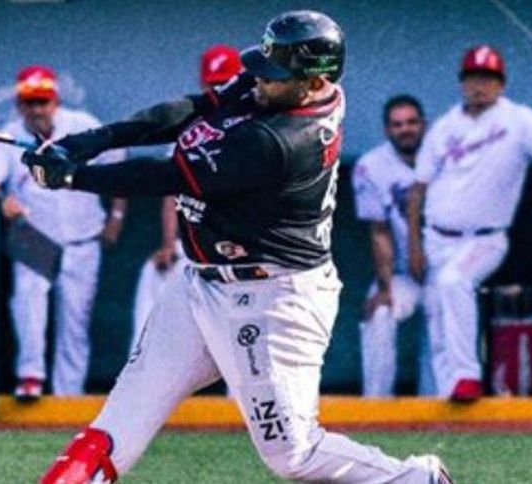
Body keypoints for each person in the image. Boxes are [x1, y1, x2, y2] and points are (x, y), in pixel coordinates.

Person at [24, 11, 452, 483]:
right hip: (199, 284)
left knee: (293, 455)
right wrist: (86, 143)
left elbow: (166, 176)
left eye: (275, 75)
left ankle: (417, 479)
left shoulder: (282, 141)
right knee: (120, 420)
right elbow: (193, 109)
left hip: (274, 299)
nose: (259, 81)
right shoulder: (282, 87)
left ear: (315, 82)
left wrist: (73, 177)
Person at [407, 45, 532, 401]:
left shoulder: (518, 120)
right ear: (462, 83)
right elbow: (417, 191)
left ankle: (466, 377)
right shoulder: (444, 127)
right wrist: (414, 245)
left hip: (484, 238)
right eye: (473, 77)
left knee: (453, 281)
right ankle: (448, 400)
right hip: (436, 237)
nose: (480, 85)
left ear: (501, 84)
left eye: (488, 78)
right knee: (438, 316)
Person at [0, 66, 127, 400]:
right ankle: (30, 377)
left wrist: (116, 216)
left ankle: (68, 392)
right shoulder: (9, 135)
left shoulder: (81, 125)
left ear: (55, 102)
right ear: (19, 105)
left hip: (83, 237)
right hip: (34, 236)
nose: (37, 110)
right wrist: (2, 199)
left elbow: (118, 166)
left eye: (42, 102)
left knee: (75, 320)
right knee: (27, 305)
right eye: (30, 103)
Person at [131, 44, 242, 349]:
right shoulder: (191, 129)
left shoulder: (256, 125)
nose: (218, 90)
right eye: (213, 84)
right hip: (195, 244)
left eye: (225, 83)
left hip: (239, 249)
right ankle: (142, 366)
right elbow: (172, 193)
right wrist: (168, 244)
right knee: (154, 273)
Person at [353, 95, 434, 397]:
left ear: (424, 124)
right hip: (404, 273)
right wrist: (385, 288)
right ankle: (376, 405)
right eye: (397, 124)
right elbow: (379, 231)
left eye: (411, 122)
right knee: (379, 313)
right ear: (387, 130)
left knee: (446, 331)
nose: (405, 129)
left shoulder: (446, 157)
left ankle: (439, 405)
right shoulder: (371, 166)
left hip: (447, 268)